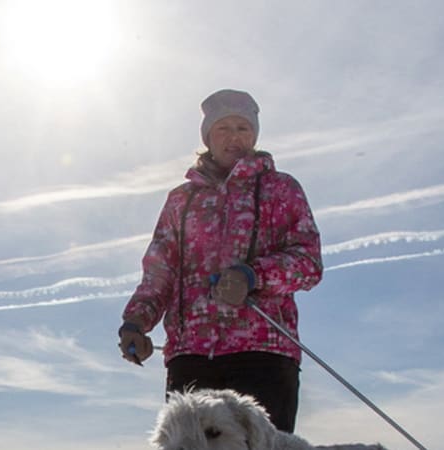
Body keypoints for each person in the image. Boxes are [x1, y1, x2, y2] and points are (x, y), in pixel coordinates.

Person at [118, 88, 323, 433]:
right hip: (190, 354)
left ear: (254, 135)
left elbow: (309, 263)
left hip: (264, 353)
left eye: (243, 128)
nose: (234, 137)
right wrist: (136, 322)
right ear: (208, 137)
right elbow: (159, 272)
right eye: (223, 128)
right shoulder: (181, 200)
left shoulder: (281, 189)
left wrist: (253, 276)